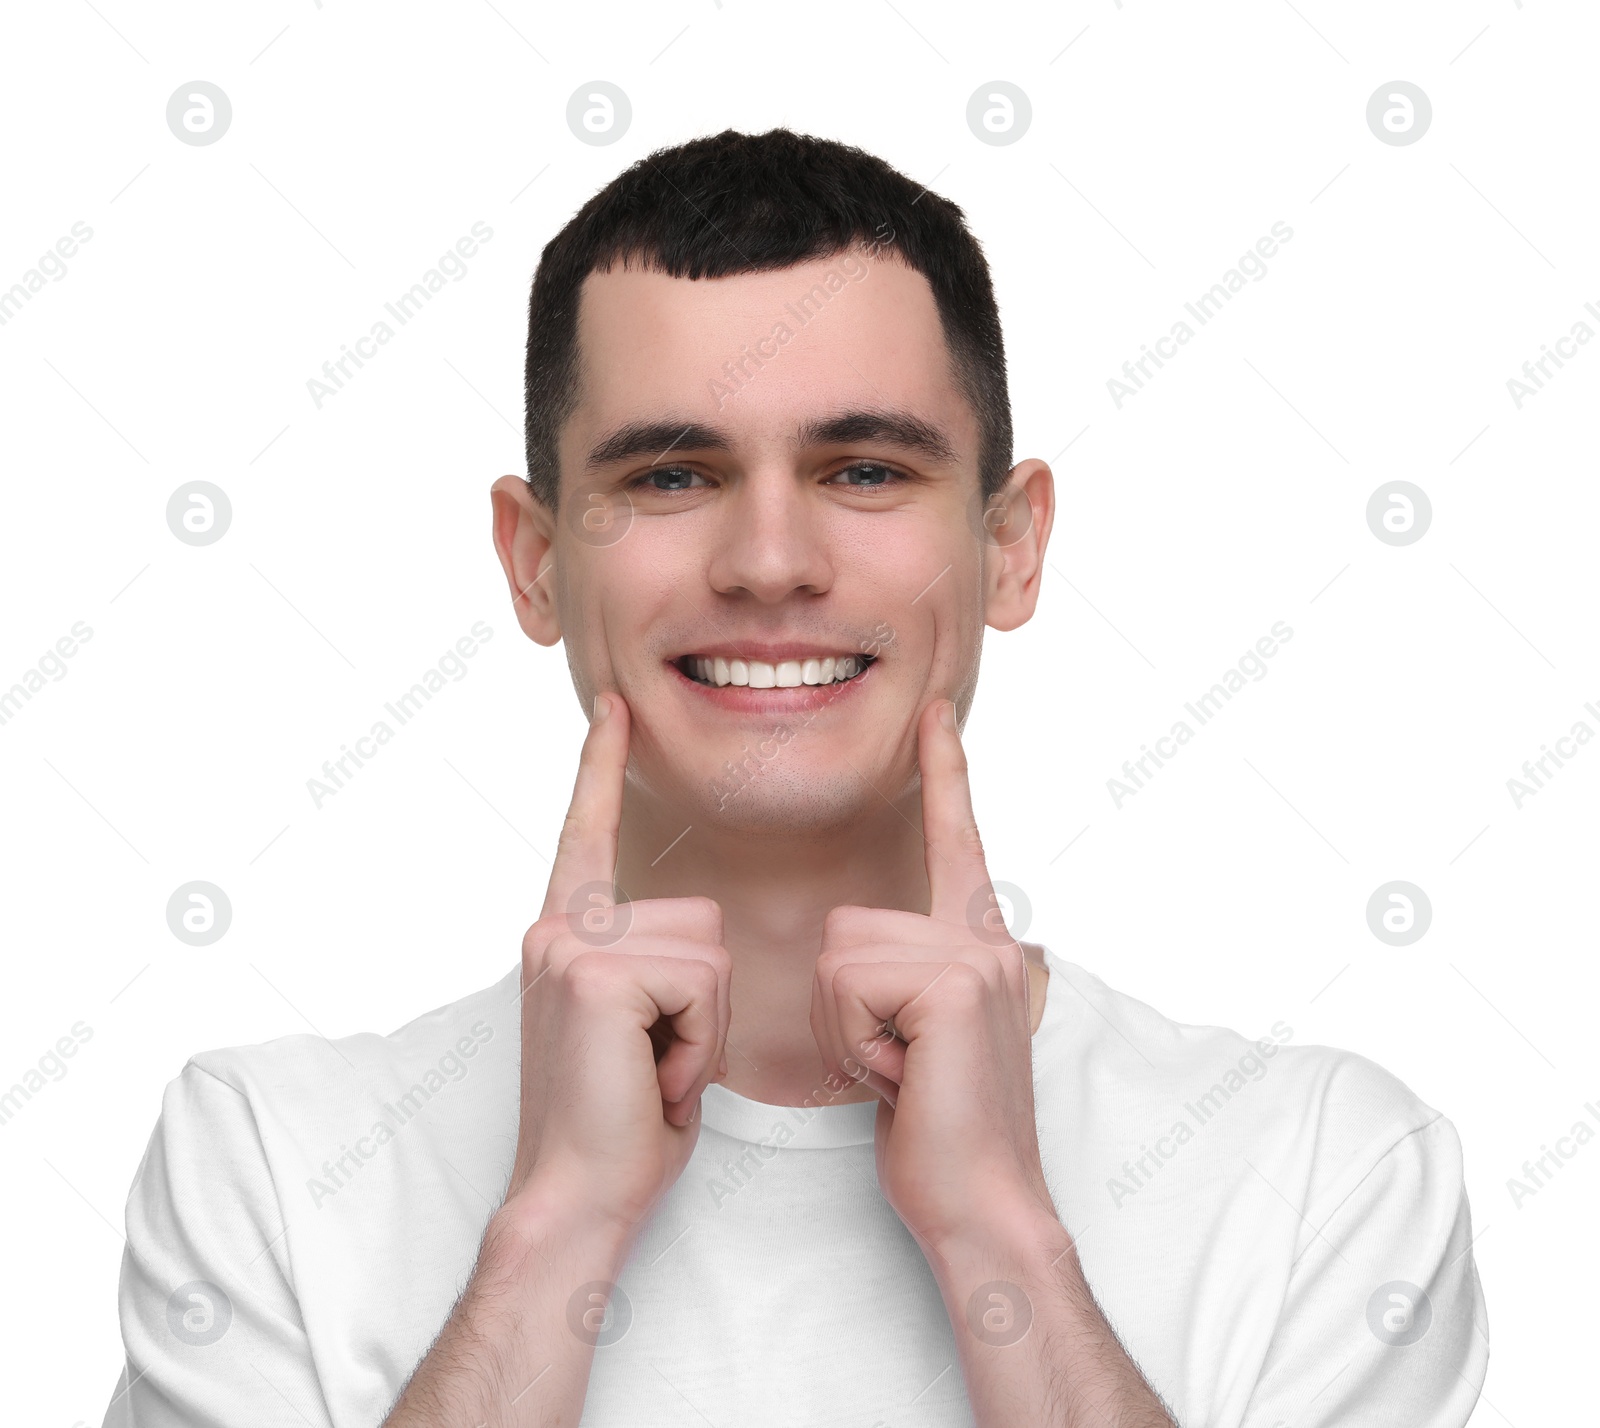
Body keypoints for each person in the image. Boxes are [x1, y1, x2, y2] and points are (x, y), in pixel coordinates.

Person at [101, 128, 1488, 1427]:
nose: (770, 561)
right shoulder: (268, 1169)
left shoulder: (1328, 1178)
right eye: (671, 477)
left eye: (867, 469)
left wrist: (999, 1228)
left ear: (1012, 547)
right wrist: (555, 1230)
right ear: (532, 561)